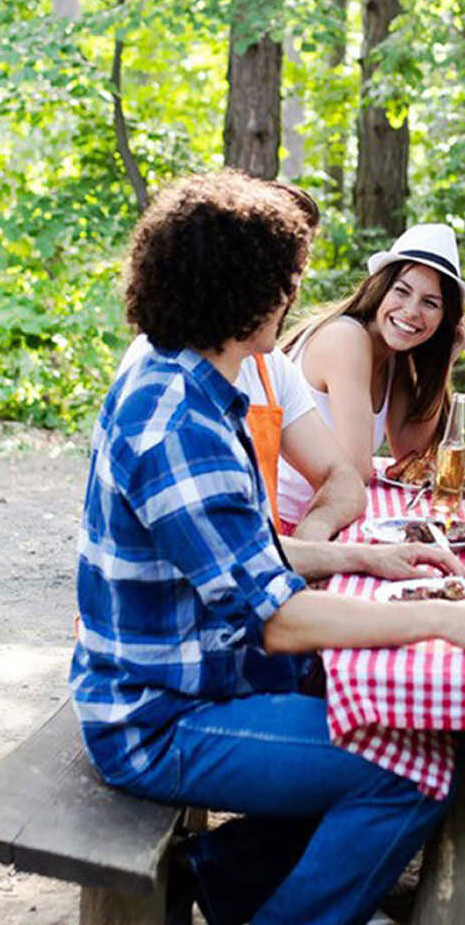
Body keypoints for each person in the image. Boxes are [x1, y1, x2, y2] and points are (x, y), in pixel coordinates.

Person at [70, 170, 465, 925]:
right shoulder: (177, 424)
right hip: (157, 719)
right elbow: (279, 620)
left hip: (199, 674)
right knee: (412, 769)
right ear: (244, 292)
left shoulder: (190, 381)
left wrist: (365, 560)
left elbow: (253, 562)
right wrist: (445, 622)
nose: (294, 296)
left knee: (384, 714)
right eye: (286, 279)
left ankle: (220, 879)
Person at [116, 186, 365, 540]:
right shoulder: (169, 395)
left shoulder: (271, 367)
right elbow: (237, 563)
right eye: (283, 276)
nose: (290, 295)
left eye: (294, 276)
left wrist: (315, 530)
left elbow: (343, 476)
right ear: (232, 277)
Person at [277, 223, 465, 528]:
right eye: (402, 291)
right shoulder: (347, 339)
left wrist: (445, 358)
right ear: (380, 288)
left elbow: (410, 454)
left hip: (323, 520)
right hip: (283, 525)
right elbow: (356, 472)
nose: (411, 311)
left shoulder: (394, 357)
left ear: (445, 318)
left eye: (430, 303)